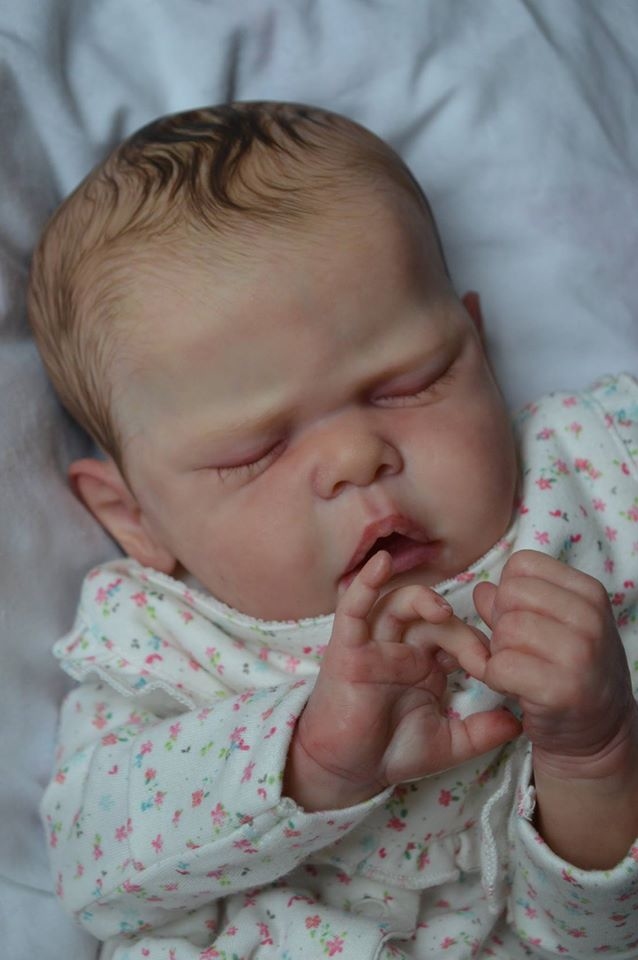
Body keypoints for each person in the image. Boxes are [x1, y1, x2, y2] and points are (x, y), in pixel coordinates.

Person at [29, 102, 638, 960]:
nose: (357, 457)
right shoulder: (162, 640)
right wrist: (305, 761)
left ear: (479, 345)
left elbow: (597, 939)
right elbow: (93, 873)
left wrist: (597, 755)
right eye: (256, 450)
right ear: (136, 518)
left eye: (409, 383)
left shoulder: (594, 474)